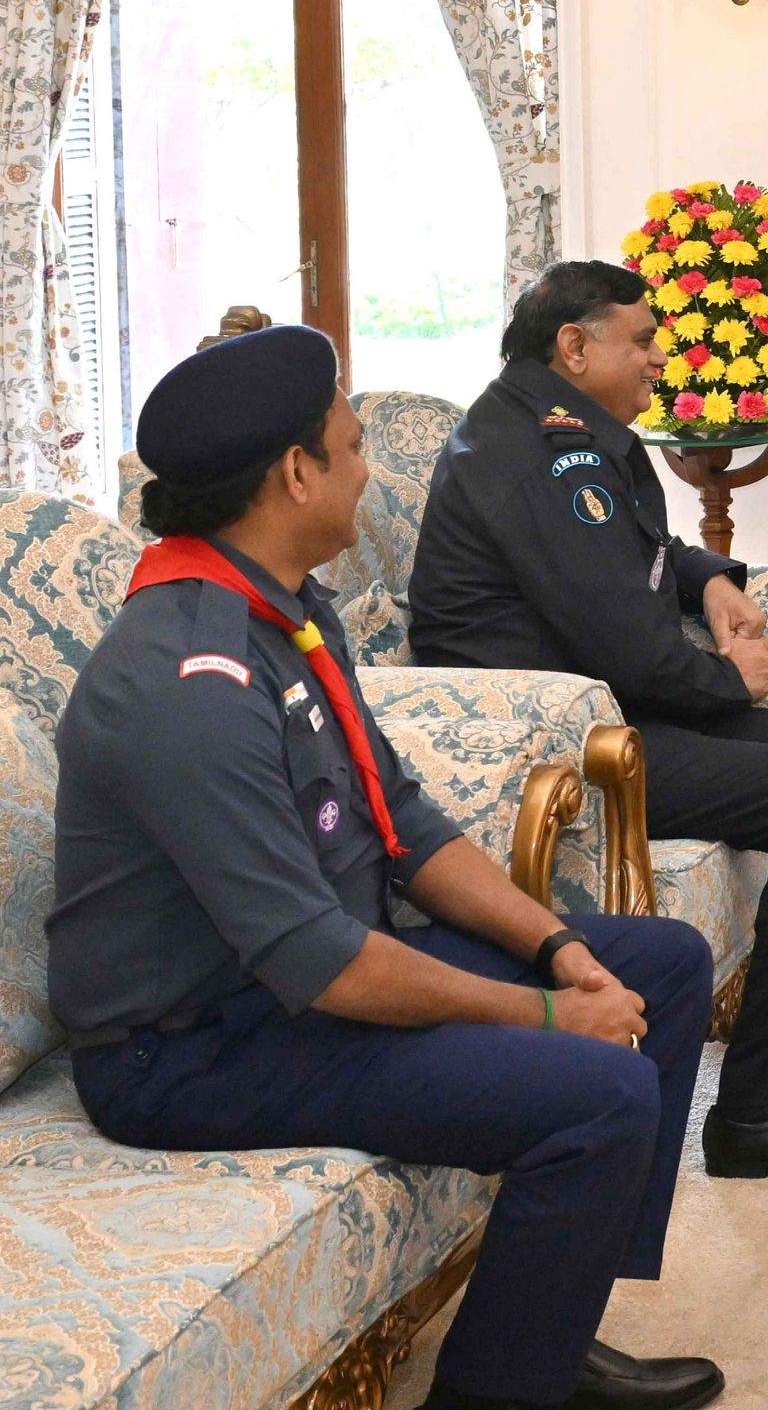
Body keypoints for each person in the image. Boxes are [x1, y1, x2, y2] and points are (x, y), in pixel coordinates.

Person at [48, 326, 722, 1410]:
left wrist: (558, 947)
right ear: (295, 472)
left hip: (306, 979)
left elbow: (397, 817)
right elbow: (321, 962)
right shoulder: (189, 680)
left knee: (664, 963)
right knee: (598, 1088)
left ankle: (551, 1329)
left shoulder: (285, 605)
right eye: (353, 445)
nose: (368, 468)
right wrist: (550, 1015)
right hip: (195, 1047)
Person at [409, 262, 768, 1181]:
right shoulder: (539, 456)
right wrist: (730, 679)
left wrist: (709, 577)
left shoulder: (554, 427)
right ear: (574, 345)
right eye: (641, 341)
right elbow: (625, 645)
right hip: (564, 756)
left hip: (610, 720)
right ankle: (758, 1109)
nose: (657, 361)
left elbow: (631, 553)